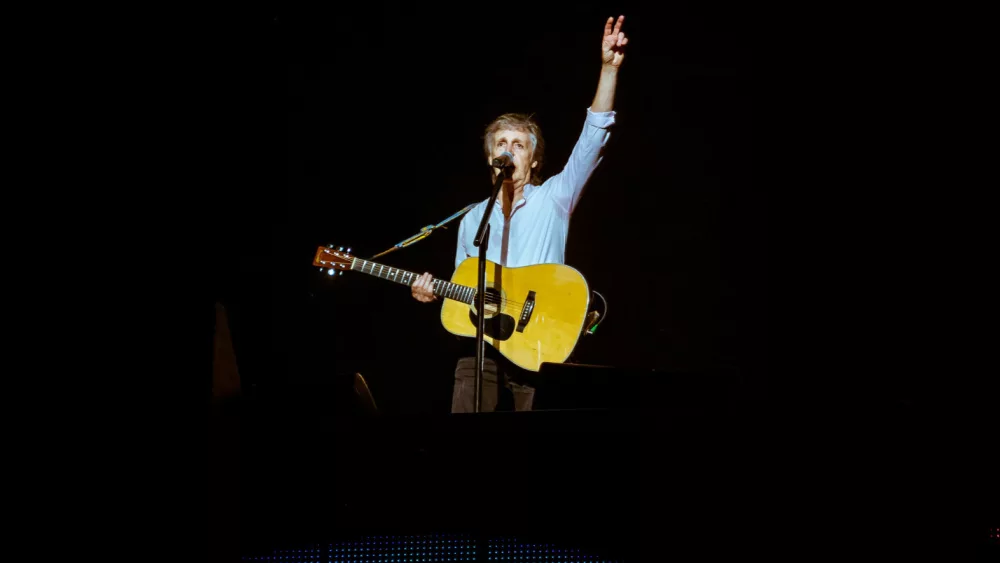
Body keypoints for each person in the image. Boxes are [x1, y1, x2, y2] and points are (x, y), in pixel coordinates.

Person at [411, 15, 629, 412]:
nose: (508, 149)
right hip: (480, 347)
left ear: (533, 157)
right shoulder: (471, 219)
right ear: (490, 156)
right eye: (501, 143)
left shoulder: (555, 198)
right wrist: (429, 290)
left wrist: (608, 68)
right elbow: (464, 287)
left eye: (519, 144)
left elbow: (593, 136)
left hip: (539, 338)